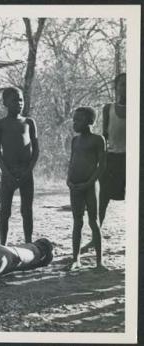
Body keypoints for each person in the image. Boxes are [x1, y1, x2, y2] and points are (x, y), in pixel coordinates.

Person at [82, 73, 126, 253]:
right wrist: (97, 160)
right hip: (111, 159)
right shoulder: (109, 109)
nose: (125, 88)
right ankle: (95, 238)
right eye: (122, 84)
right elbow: (104, 137)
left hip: (132, 160)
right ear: (116, 88)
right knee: (102, 201)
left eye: (129, 84)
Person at [0, 87, 39, 246]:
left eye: (21, 100)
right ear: (5, 103)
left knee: (27, 211)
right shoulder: (0, 125)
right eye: (14, 100)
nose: (19, 103)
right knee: (5, 211)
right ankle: (3, 244)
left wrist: (29, 170)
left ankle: (28, 242)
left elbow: (36, 149)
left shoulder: (29, 122)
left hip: (26, 173)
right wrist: (6, 173)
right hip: (8, 174)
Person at [65, 107, 107, 271]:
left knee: (93, 222)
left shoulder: (98, 139)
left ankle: (99, 261)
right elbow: (71, 161)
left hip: (90, 186)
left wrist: (89, 183)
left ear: (90, 121)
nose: (75, 123)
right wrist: (69, 180)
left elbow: (101, 166)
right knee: (77, 222)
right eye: (74, 120)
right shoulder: (75, 140)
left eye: (78, 120)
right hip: (75, 186)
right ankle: (76, 259)